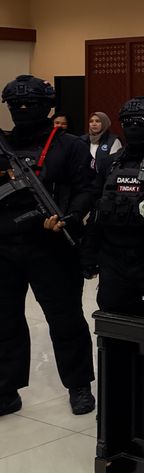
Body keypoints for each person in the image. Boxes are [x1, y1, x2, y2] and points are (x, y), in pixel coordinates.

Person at [0, 75, 99, 417]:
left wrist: (71, 216)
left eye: (31, 104)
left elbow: (87, 188)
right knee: (5, 320)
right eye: (16, 105)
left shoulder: (69, 145)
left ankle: (79, 385)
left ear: (48, 107)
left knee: (65, 320)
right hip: (4, 245)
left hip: (53, 246)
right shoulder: (3, 144)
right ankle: (6, 390)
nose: (22, 109)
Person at [84, 97, 144, 315]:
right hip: (112, 259)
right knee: (113, 320)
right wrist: (88, 252)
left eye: (141, 122)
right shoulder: (110, 162)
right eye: (128, 122)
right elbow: (96, 209)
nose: (134, 127)